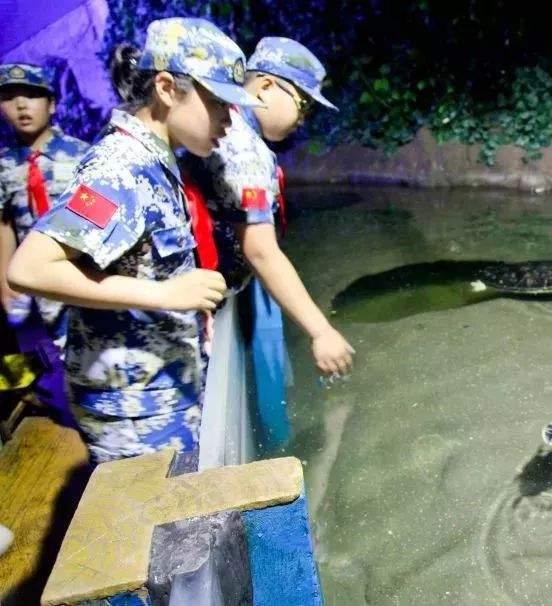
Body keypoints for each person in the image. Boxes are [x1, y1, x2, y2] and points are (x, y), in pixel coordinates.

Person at [7, 18, 261, 463]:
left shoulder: (155, 160)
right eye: (219, 102)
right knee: (160, 527)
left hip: (157, 386)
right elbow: (29, 268)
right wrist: (164, 293)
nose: (229, 119)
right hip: (135, 409)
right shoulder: (120, 168)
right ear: (166, 88)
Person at [181, 37, 354, 379]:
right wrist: (321, 331)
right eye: (302, 102)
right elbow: (260, 251)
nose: (303, 117)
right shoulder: (243, 148)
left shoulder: (228, 126)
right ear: (265, 85)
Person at [0, 63, 90, 423]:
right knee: (34, 352)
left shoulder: (81, 155)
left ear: (52, 104)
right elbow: (5, 222)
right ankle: (38, 403)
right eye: (9, 97)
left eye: (33, 95)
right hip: (30, 283)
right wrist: (4, 276)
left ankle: (82, 416)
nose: (22, 105)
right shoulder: (4, 165)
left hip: (75, 275)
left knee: (80, 354)